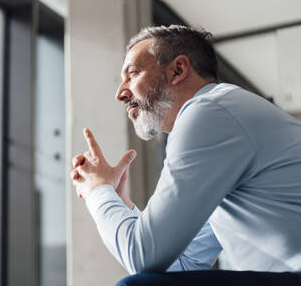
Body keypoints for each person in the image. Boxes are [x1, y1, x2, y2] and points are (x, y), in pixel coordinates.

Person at [70, 25, 301, 285]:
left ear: (178, 70)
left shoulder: (208, 113)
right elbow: (181, 264)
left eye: (132, 74)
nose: (120, 93)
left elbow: (142, 256)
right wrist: (120, 204)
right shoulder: (221, 118)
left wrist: (98, 191)